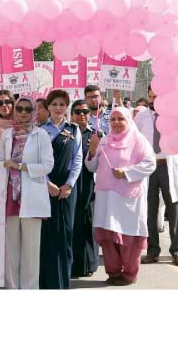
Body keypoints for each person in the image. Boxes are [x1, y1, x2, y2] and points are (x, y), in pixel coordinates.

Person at [84, 107, 156, 286]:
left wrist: (126, 172)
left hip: (128, 199)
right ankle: (114, 271)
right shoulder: (105, 141)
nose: (116, 123)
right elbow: (91, 167)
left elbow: (150, 164)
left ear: (128, 121)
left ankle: (130, 273)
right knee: (108, 237)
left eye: (120, 119)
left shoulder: (139, 141)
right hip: (106, 197)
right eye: (113, 119)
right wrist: (92, 151)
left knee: (129, 237)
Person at [0, 96, 55, 289]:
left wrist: (20, 166)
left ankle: (29, 291)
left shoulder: (41, 135)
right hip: (10, 196)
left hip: (32, 196)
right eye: (19, 108)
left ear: (34, 112)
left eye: (28, 109)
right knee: (10, 250)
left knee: (31, 251)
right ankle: (11, 289)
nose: (23, 113)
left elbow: (48, 165)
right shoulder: (6, 135)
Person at [134, 85, 178, 266]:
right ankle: (153, 250)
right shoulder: (141, 117)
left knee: (174, 210)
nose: (153, 100)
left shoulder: (174, 118)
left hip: (169, 166)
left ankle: (176, 251)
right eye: (150, 96)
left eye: (156, 97)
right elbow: (135, 142)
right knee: (149, 210)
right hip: (148, 168)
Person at [39, 89, 83, 289]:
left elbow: (77, 159)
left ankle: (63, 283)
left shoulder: (74, 129)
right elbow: (35, 160)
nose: (58, 108)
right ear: (48, 106)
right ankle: (46, 282)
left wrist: (69, 184)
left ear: (67, 107)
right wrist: (46, 183)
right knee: (46, 235)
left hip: (66, 190)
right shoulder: (40, 130)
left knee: (65, 233)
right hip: (44, 188)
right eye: (54, 104)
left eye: (62, 105)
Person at [70, 99, 100, 279]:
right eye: (77, 111)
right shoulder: (67, 132)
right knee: (73, 222)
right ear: (71, 113)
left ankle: (89, 263)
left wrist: (95, 148)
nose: (81, 114)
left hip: (90, 182)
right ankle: (73, 264)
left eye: (85, 111)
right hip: (71, 182)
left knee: (89, 222)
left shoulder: (97, 134)